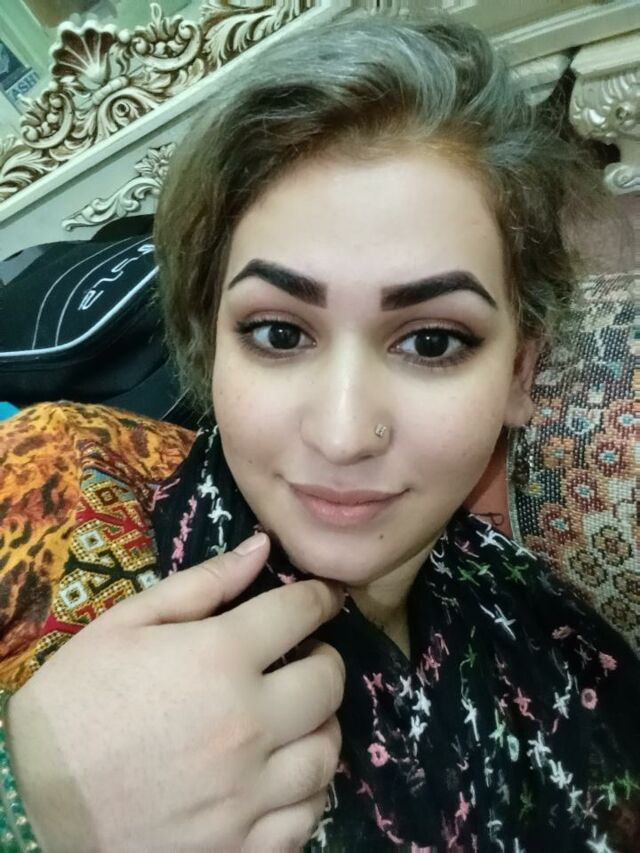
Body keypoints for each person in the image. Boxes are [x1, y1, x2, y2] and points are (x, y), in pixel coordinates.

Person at [0, 13, 638, 852]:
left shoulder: (523, 611)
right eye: (278, 332)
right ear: (209, 338)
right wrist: (35, 812)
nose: (342, 436)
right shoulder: (52, 487)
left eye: (431, 342)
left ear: (519, 373)